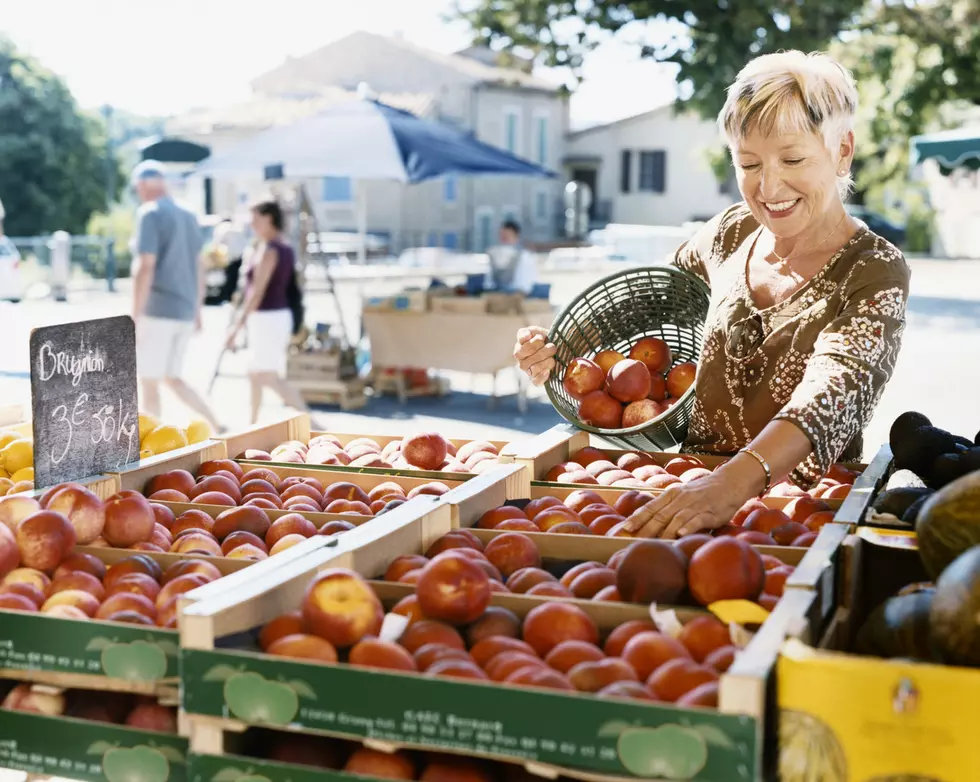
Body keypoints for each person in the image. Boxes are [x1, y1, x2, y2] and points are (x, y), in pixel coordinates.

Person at [514, 50, 910, 539]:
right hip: (693, 492)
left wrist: (732, 485)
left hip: (801, 514)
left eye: (792, 159)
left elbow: (835, 389)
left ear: (842, 151)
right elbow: (646, 303)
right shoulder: (729, 234)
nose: (768, 186)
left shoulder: (874, 268)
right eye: (748, 163)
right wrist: (559, 347)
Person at [131, 160, 222, 432]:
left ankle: (151, 439)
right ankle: (217, 425)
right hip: (184, 310)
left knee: (149, 380)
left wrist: (134, 315)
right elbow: (199, 265)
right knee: (172, 377)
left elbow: (145, 266)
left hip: (157, 310)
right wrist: (197, 310)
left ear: (143, 185)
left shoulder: (149, 213)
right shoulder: (189, 213)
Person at [223, 200, 313, 424]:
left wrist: (235, 328)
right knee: (255, 373)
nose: (252, 225)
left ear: (268, 218)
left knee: (267, 376)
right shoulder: (280, 247)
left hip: (267, 317)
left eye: (255, 219)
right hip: (271, 317)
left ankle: (311, 421)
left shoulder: (271, 250)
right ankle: (252, 424)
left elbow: (256, 293)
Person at [486, 219, 537, 294]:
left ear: (516, 236)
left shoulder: (525, 257)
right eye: (502, 236)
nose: (504, 240)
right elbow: (489, 283)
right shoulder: (494, 255)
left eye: (507, 236)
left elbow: (527, 286)